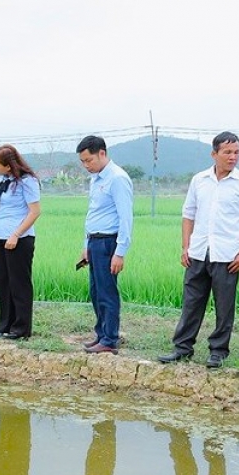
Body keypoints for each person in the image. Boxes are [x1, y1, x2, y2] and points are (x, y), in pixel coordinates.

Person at [159, 132, 239, 369]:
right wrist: (185, 246)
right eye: (227, 152)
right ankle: (182, 347)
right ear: (214, 153)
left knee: (224, 305)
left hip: (228, 255)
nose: (233, 157)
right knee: (191, 302)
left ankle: (218, 350)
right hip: (198, 252)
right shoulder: (199, 180)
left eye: (236, 152)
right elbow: (189, 214)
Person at [78, 135, 134, 354]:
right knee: (96, 291)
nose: (86, 166)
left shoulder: (117, 178)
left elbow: (125, 217)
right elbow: (94, 213)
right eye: (82, 162)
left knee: (107, 292)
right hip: (94, 241)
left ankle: (110, 339)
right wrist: (86, 244)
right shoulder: (97, 178)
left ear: (102, 153)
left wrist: (120, 252)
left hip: (108, 242)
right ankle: (101, 334)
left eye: (88, 160)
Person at [0, 144, 41, 340]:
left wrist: (16, 234)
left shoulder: (27, 182)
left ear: (9, 166)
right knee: (4, 282)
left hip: (19, 239)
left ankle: (21, 328)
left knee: (19, 283)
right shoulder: (2, 179)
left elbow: (35, 211)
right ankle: (5, 326)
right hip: (0, 236)